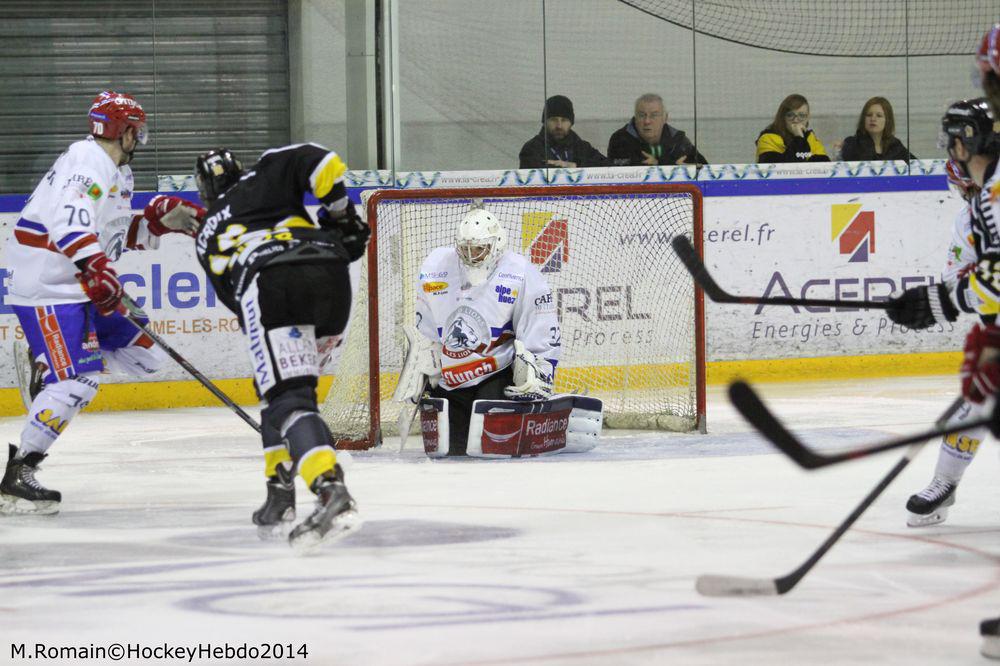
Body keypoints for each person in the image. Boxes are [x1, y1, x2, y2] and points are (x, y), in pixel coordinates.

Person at [0, 91, 203, 515]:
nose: (139, 140)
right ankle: (19, 472)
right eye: (137, 132)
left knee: (147, 357)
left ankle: (49, 366)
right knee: (77, 383)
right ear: (124, 131)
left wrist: (155, 225)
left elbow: (108, 234)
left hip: (82, 281)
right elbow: (67, 222)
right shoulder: (87, 161)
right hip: (50, 286)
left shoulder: (115, 171)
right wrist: (95, 268)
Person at [193, 143, 369, 549]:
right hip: (332, 279)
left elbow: (236, 297)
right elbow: (320, 159)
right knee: (280, 393)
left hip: (274, 282)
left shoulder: (204, 236)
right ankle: (279, 493)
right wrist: (341, 215)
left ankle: (329, 489)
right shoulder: (263, 175)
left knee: (288, 399)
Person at [395, 206, 561, 456]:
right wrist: (420, 370)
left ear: (496, 244)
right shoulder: (436, 267)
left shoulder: (518, 271)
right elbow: (426, 331)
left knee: (491, 448)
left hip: (494, 374)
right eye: (466, 249)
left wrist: (538, 373)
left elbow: (540, 327)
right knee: (451, 451)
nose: (471, 256)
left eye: (479, 249)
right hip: (449, 379)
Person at [899, 151, 986, 528]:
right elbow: (955, 280)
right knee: (976, 405)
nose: (973, 194)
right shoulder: (967, 222)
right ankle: (945, 483)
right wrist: (939, 300)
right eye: (967, 189)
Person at [607, 93, 707, 166]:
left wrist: (687, 171)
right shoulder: (620, 139)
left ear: (665, 118)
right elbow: (618, 173)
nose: (647, 121)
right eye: (642, 115)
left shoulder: (678, 141)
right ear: (635, 118)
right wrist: (669, 166)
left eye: (654, 115)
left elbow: (705, 169)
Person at [518, 95, 608, 169]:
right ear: (544, 122)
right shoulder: (532, 148)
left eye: (564, 120)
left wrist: (576, 166)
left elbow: (608, 166)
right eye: (553, 120)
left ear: (571, 123)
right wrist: (565, 168)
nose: (559, 126)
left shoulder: (582, 147)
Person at [755, 94, 830, 163]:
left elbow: (825, 166)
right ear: (782, 117)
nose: (796, 120)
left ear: (808, 118)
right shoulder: (768, 138)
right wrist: (799, 138)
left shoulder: (811, 139)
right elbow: (784, 166)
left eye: (802, 115)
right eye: (790, 115)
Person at [838, 97, 915, 161]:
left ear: (888, 120)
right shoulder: (852, 144)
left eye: (879, 116)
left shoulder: (895, 146)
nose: (873, 119)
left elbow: (916, 166)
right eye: (869, 115)